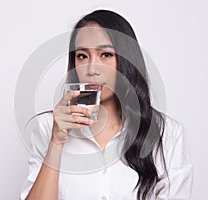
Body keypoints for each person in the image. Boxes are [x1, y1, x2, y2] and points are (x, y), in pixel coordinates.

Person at [20, 9, 193, 200]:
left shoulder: (167, 134)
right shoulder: (48, 129)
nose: (92, 69)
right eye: (82, 56)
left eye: (106, 54)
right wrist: (56, 143)